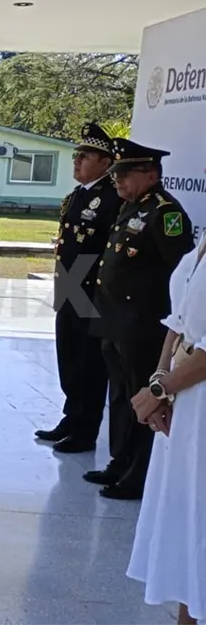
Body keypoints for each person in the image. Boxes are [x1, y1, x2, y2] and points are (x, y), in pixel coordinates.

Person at [82, 139, 195, 500]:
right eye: (115, 172)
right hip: (115, 320)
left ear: (150, 174)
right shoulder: (131, 206)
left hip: (142, 324)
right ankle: (121, 460)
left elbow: (180, 275)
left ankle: (139, 473)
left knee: (141, 396)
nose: (117, 180)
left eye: (125, 173)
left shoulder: (166, 213)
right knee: (121, 396)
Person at [126, 230, 206, 625]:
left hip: (198, 392)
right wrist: (161, 378)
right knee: (186, 514)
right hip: (184, 392)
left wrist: (162, 388)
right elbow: (179, 321)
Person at [35, 123, 122, 453]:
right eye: (77, 154)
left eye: (85, 155)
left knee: (90, 363)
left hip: (92, 290)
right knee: (68, 356)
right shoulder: (77, 196)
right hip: (70, 285)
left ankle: (86, 429)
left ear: (105, 162)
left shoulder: (111, 198)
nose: (77, 160)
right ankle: (70, 417)